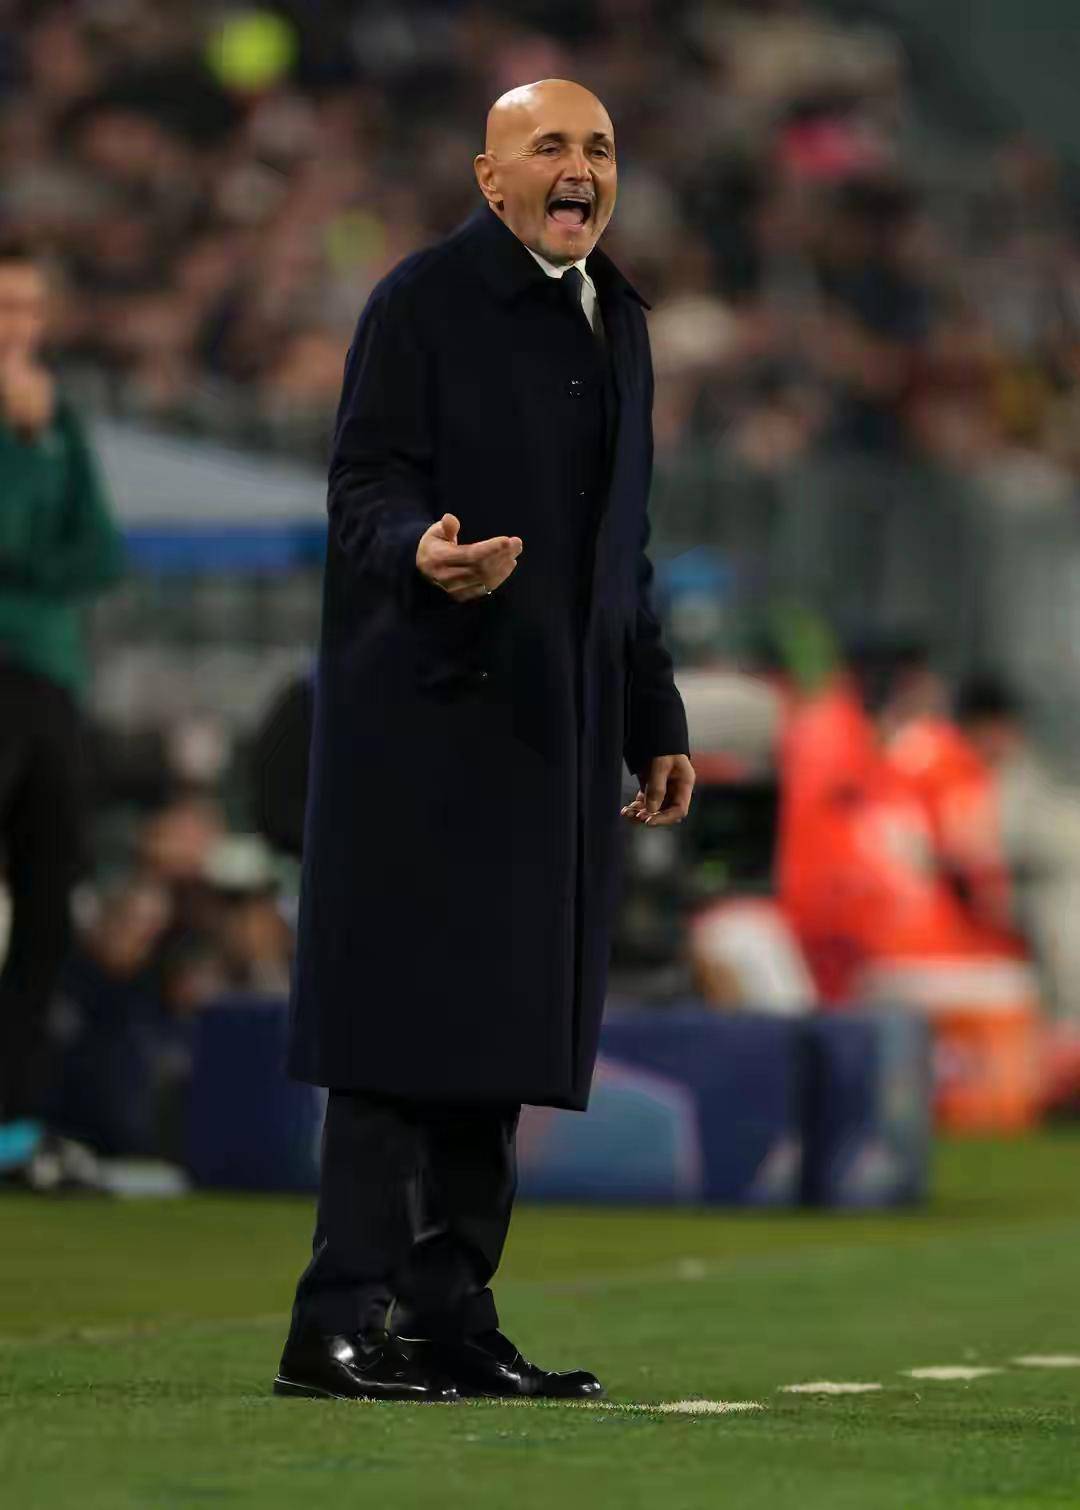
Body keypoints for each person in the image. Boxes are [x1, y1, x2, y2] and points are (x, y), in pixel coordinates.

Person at [276, 80, 695, 1404]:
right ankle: (337, 1320)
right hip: (428, 713)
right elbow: (363, 482)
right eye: (550, 144)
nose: (581, 166)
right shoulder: (420, 302)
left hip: (554, 730)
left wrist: (653, 712)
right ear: (490, 177)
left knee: (504, 1027)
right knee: (398, 1023)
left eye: (601, 147)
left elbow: (622, 550)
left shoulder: (618, 319)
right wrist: (422, 549)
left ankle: (449, 1313)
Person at [0, 236, 125, 1189]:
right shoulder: (34, 426)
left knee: (48, 903)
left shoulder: (59, 420)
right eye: (5, 307)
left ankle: (15, 1124)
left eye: (29, 307)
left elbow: (101, 555)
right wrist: (22, 442)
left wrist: (38, 436)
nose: (19, 325)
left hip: (48, 682)